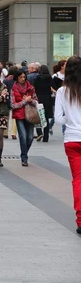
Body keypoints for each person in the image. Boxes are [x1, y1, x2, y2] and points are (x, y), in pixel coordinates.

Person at [54, 56, 81, 234]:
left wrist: (70, 121)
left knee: (78, 180)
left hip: (72, 139)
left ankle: (80, 220)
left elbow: (57, 119)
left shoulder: (62, 92)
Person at [10, 69, 38, 167]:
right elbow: (13, 105)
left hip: (30, 115)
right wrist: (24, 101)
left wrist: (30, 100)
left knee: (30, 137)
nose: (22, 79)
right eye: (20, 77)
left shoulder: (30, 87)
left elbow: (36, 101)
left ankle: (24, 153)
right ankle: (24, 157)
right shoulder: (14, 88)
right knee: (23, 136)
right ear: (16, 78)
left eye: (24, 76)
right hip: (19, 115)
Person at [33, 65, 53, 142]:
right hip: (47, 98)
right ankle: (46, 137)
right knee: (46, 118)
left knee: (38, 117)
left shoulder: (38, 78)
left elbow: (34, 88)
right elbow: (53, 86)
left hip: (39, 98)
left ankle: (39, 132)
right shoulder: (49, 78)